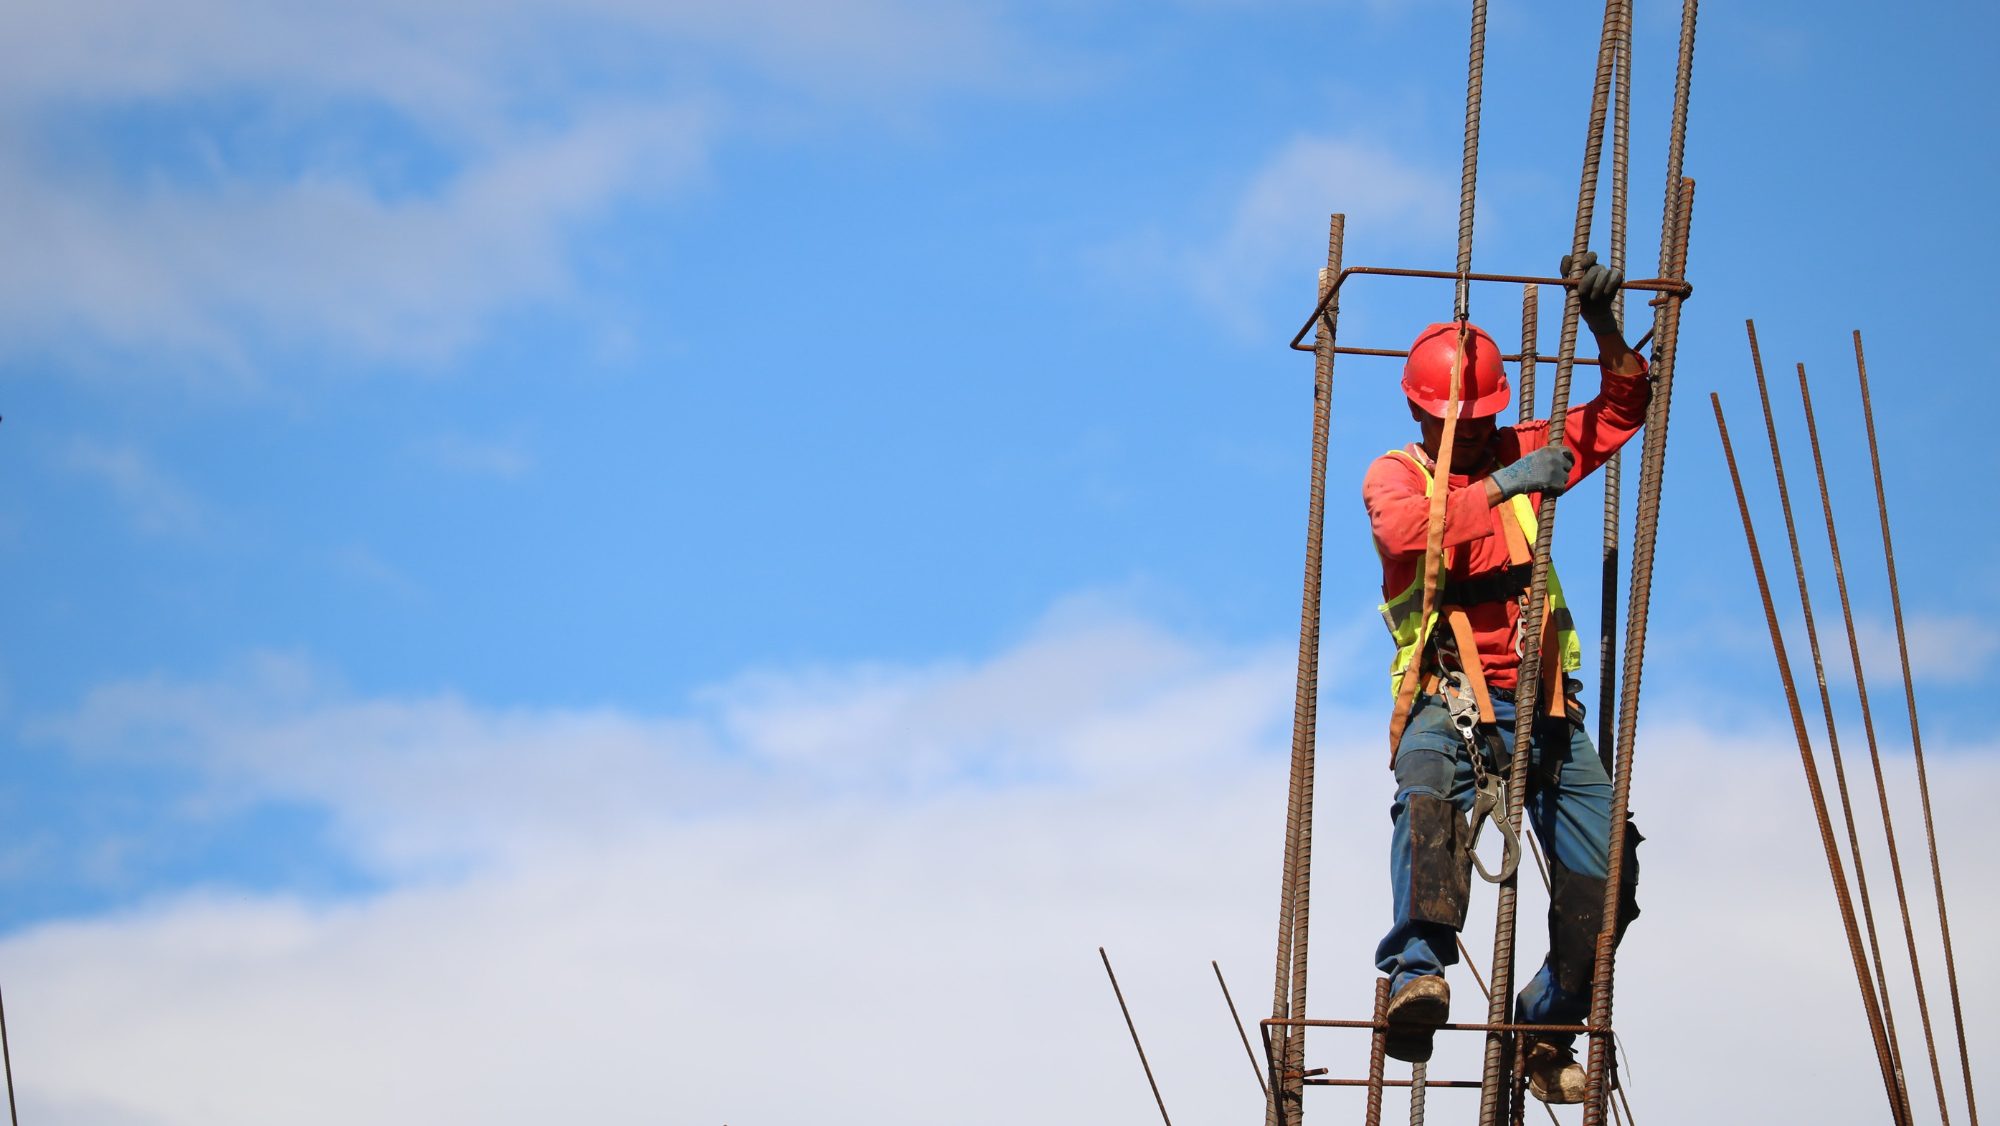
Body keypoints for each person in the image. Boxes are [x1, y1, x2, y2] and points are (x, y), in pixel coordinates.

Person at [1360, 253, 1647, 1104]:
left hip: (1545, 708)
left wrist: (1603, 329)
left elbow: (1620, 409)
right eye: (1462, 421)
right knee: (1426, 793)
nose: (1479, 434)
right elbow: (1407, 532)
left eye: (1487, 419)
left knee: (1608, 886)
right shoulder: (1397, 475)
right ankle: (1418, 971)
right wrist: (1503, 484)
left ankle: (1544, 1027)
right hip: (1448, 698)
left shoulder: (1519, 449)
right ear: (1420, 411)